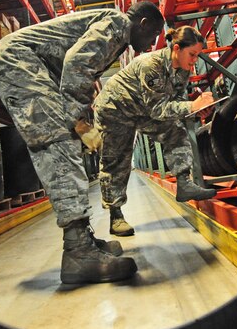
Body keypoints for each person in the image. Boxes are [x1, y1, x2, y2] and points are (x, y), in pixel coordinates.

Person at [0, 1, 165, 284]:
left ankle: (83, 241)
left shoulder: (115, 32)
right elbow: (78, 65)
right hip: (20, 63)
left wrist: (80, 119)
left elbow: (79, 71)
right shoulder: (117, 24)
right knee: (60, 144)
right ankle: (78, 252)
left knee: (65, 140)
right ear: (143, 24)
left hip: (28, 65)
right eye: (154, 35)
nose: (151, 44)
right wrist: (78, 121)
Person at [93, 25, 218, 237]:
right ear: (176, 48)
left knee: (175, 131)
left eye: (198, 56)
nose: (195, 60)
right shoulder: (151, 65)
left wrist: (197, 111)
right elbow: (158, 109)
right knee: (117, 161)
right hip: (114, 110)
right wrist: (192, 106)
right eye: (192, 54)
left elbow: (175, 103)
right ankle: (116, 217)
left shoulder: (183, 70)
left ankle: (184, 183)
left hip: (142, 109)